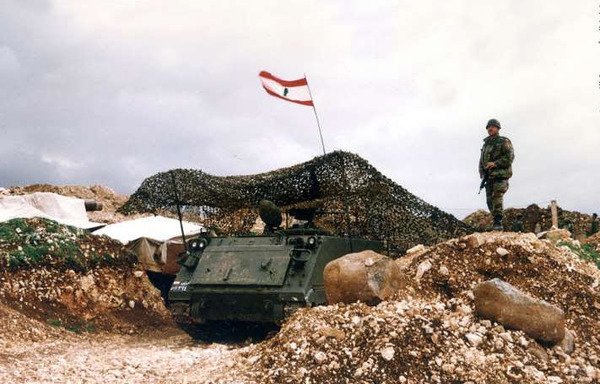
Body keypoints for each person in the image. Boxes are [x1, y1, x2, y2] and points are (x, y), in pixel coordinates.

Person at [479, 118, 514, 231]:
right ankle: (496, 221)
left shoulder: (503, 141)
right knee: (489, 201)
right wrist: (481, 171)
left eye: (493, 126)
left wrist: (495, 163)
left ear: (498, 128)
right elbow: (482, 160)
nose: (490, 128)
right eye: (488, 127)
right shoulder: (486, 144)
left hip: (500, 175)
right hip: (488, 177)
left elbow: (509, 157)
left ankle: (498, 222)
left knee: (497, 197)